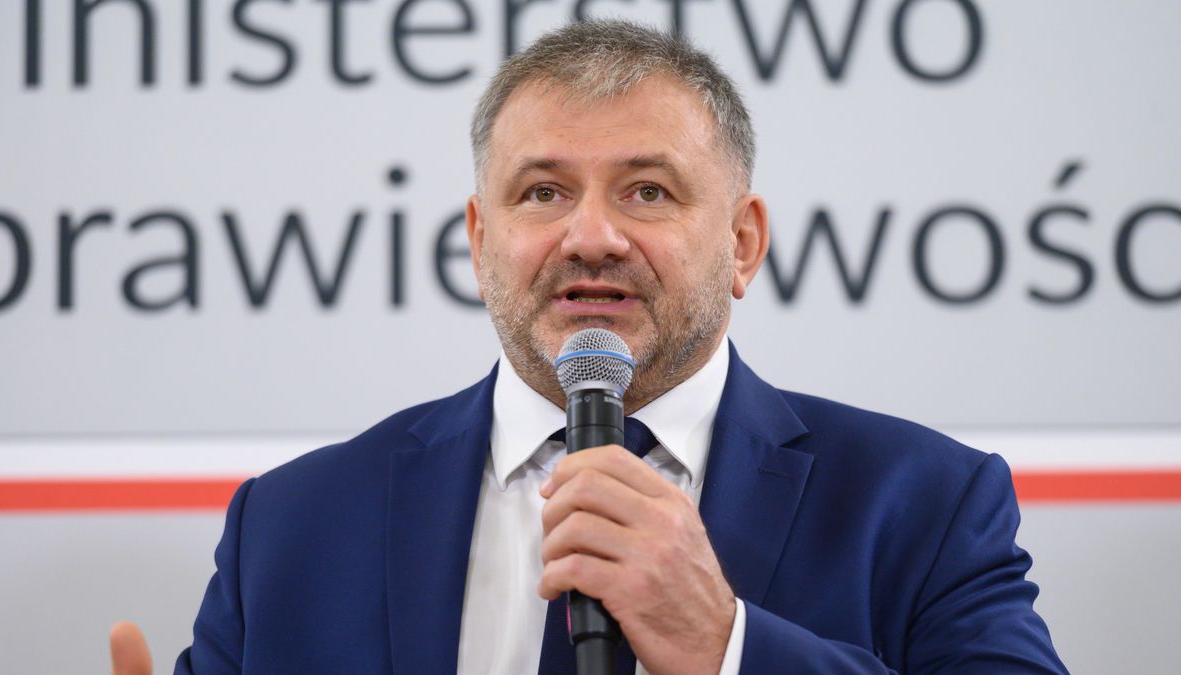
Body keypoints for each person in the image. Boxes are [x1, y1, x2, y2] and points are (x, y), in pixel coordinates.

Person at [111, 20, 1067, 675]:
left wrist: (727, 647)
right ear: (481, 240)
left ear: (742, 243)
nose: (592, 236)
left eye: (648, 190)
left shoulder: (924, 502)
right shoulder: (291, 527)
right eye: (542, 192)